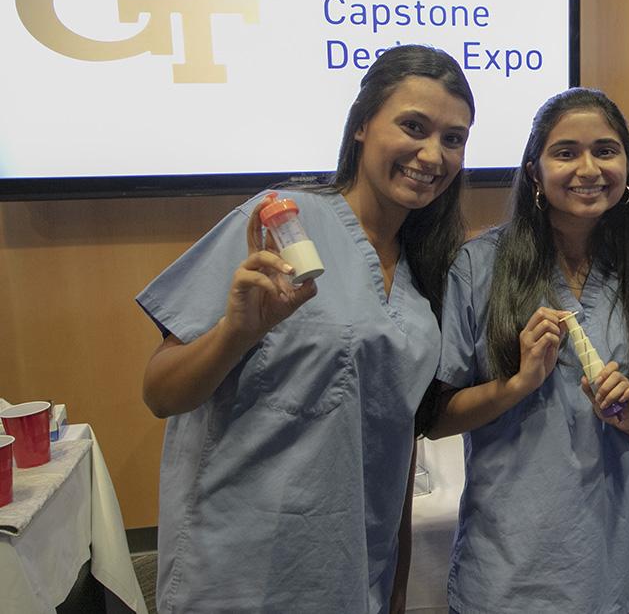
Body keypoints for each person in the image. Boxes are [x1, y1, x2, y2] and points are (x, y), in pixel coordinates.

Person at [136, 44, 473, 613]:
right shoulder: (280, 223)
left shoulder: (427, 276)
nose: (431, 154)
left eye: (453, 138)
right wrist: (235, 334)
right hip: (239, 569)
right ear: (363, 125)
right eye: (413, 126)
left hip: (352, 571)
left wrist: (395, 587)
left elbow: (396, 444)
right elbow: (160, 392)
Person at [427, 87, 629, 614]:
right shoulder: (480, 269)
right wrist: (517, 384)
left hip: (623, 564)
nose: (588, 168)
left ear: (626, 167)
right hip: (512, 571)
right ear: (534, 172)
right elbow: (436, 418)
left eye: (606, 150)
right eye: (566, 152)